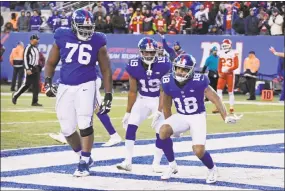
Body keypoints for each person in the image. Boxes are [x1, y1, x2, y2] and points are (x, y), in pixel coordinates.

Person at [44, 9, 113, 177]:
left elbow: (106, 70)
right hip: (65, 86)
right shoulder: (61, 35)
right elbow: (51, 62)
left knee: (84, 122)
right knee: (66, 128)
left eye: (89, 27)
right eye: (82, 27)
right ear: (74, 25)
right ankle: (82, 156)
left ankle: (84, 161)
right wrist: (47, 82)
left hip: (87, 83)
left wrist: (108, 94)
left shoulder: (98, 39)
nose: (87, 31)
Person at [158, 54, 242, 183]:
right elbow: (167, 106)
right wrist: (171, 126)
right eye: (178, 68)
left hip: (197, 116)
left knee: (198, 151)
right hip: (181, 115)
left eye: (184, 69)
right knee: (163, 130)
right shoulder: (167, 81)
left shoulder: (199, 80)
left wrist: (225, 117)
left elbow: (216, 99)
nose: (180, 72)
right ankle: (171, 164)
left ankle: (212, 168)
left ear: (191, 70)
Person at [116, 37, 171, 173]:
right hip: (142, 98)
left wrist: (159, 110)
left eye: (152, 52)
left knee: (160, 131)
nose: (149, 55)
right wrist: (128, 112)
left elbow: (165, 89)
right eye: (146, 52)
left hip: (158, 98)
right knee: (131, 126)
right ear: (141, 52)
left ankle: (156, 163)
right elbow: (133, 91)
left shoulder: (164, 64)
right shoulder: (134, 65)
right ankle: (127, 161)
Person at [49, 63, 122, 147]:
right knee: (77, 106)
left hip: (89, 81)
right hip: (84, 80)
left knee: (98, 109)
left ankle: (114, 136)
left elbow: (76, 67)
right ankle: (65, 134)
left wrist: (59, 82)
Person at [12, 34, 42, 106]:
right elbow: (25, 58)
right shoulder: (28, 47)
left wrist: (39, 66)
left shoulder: (36, 48)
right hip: (30, 68)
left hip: (35, 68)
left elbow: (36, 59)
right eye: (36, 39)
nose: (38, 40)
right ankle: (15, 95)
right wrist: (27, 68)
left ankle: (34, 102)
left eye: (38, 39)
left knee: (36, 85)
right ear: (32, 40)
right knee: (26, 85)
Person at [215, 39, 239, 114]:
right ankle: (219, 106)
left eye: (226, 45)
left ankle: (231, 107)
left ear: (230, 46)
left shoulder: (234, 53)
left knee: (230, 91)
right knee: (218, 90)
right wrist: (219, 72)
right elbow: (219, 64)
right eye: (224, 45)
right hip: (222, 74)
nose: (225, 47)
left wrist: (228, 69)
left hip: (230, 74)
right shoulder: (221, 53)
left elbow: (236, 65)